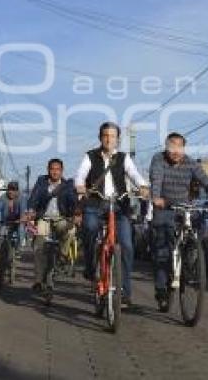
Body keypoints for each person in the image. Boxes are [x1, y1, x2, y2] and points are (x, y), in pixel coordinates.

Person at [75, 122, 148, 308]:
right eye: (105, 135)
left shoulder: (123, 158)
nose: (109, 139)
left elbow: (133, 174)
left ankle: (124, 291)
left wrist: (142, 186)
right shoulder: (90, 156)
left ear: (118, 139)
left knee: (126, 245)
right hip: (95, 204)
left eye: (113, 136)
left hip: (119, 206)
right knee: (90, 227)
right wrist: (81, 186)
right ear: (100, 138)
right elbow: (80, 175)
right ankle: (91, 268)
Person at [148, 132, 208, 309]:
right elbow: (156, 178)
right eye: (171, 146)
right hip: (164, 207)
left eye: (179, 147)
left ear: (184, 148)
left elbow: (207, 181)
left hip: (184, 208)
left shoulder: (190, 163)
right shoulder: (158, 159)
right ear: (166, 147)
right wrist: (156, 197)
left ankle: (190, 258)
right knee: (162, 252)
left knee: (199, 225)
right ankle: (161, 290)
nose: (175, 151)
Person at [27, 158, 77, 292]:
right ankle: (38, 280)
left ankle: (63, 254)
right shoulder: (41, 182)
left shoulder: (68, 185)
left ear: (62, 171)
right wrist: (31, 210)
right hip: (44, 218)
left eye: (57, 169)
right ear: (48, 170)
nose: (55, 172)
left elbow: (73, 202)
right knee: (39, 244)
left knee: (70, 232)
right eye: (52, 169)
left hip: (61, 218)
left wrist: (75, 214)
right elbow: (34, 198)